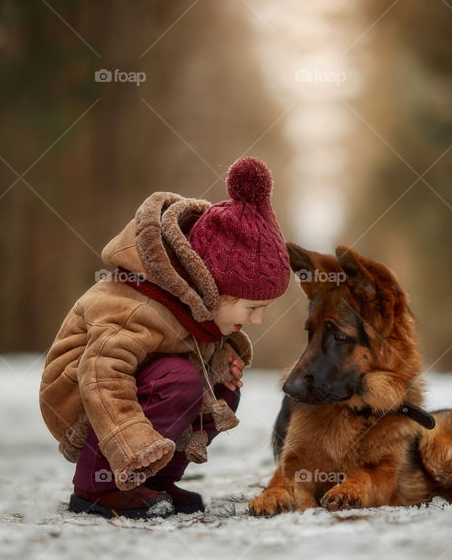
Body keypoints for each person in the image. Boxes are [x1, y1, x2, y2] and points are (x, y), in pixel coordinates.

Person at [39, 157, 291, 518]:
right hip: (80, 396)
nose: (258, 319)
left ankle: (151, 480)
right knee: (179, 381)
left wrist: (218, 368)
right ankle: (100, 485)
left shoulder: (195, 304)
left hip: (122, 389)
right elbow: (101, 374)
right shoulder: (139, 307)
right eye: (252, 307)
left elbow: (172, 353)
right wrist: (129, 444)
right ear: (214, 288)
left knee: (218, 388)